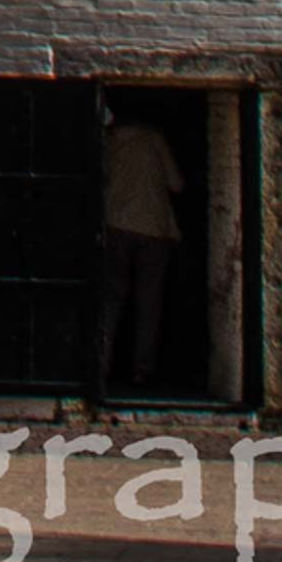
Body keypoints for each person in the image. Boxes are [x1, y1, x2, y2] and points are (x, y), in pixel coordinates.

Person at [99, 109, 183, 384]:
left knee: (111, 298)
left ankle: (102, 363)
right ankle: (142, 369)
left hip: (116, 224)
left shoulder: (109, 141)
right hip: (153, 227)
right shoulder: (153, 139)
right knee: (149, 300)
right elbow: (177, 184)